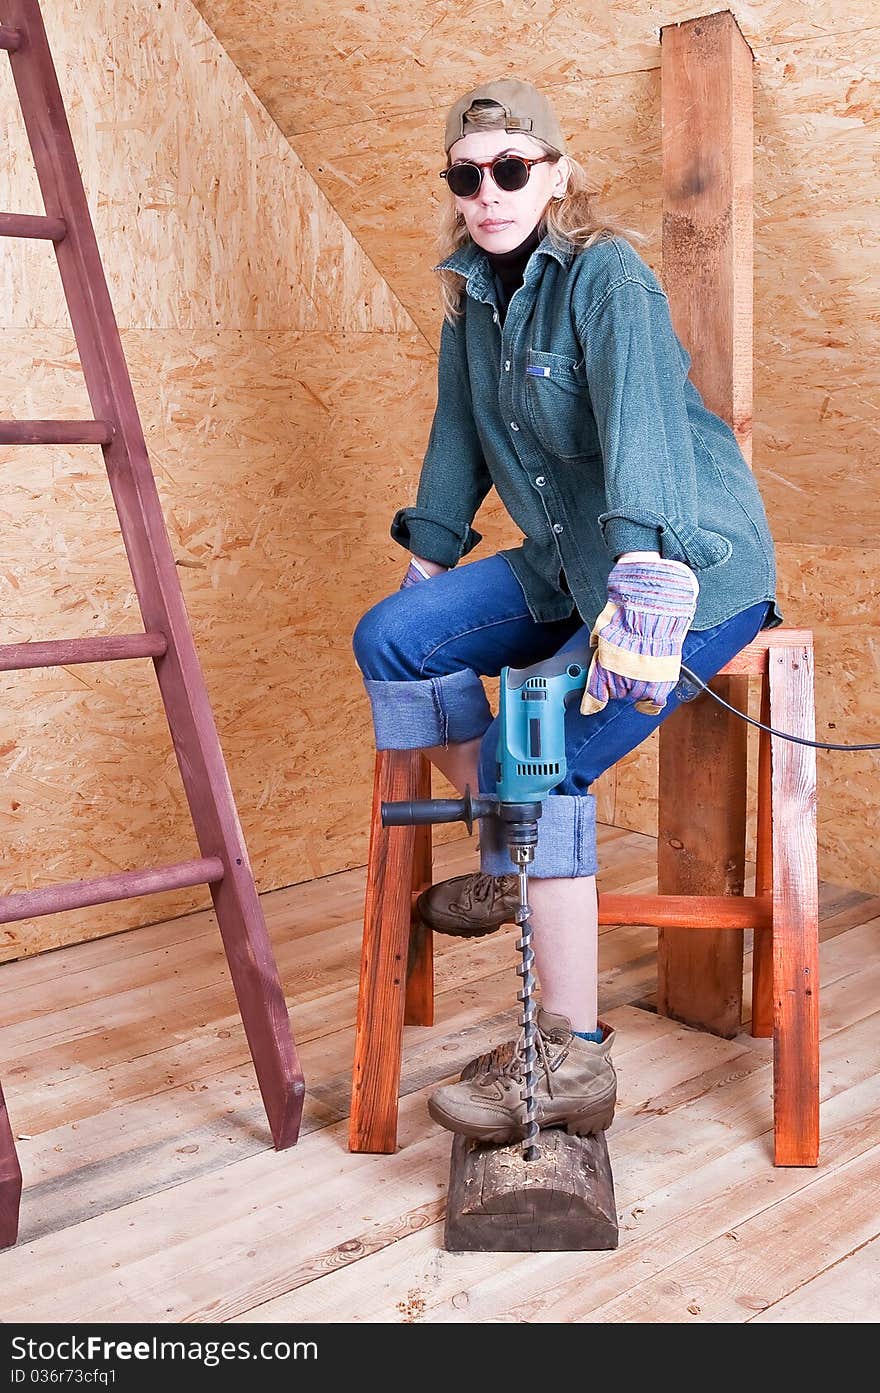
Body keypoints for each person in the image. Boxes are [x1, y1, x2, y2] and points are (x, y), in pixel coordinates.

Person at [352, 77, 782, 1146]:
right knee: (393, 641)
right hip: (560, 563)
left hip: (683, 566)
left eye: (511, 169)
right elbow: (456, 441)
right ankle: (511, 843)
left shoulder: (606, 276)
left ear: (555, 171)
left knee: (537, 747)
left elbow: (641, 430)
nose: (489, 192)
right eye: (468, 176)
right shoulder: (473, 298)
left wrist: (638, 590)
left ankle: (574, 1055)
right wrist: (430, 569)